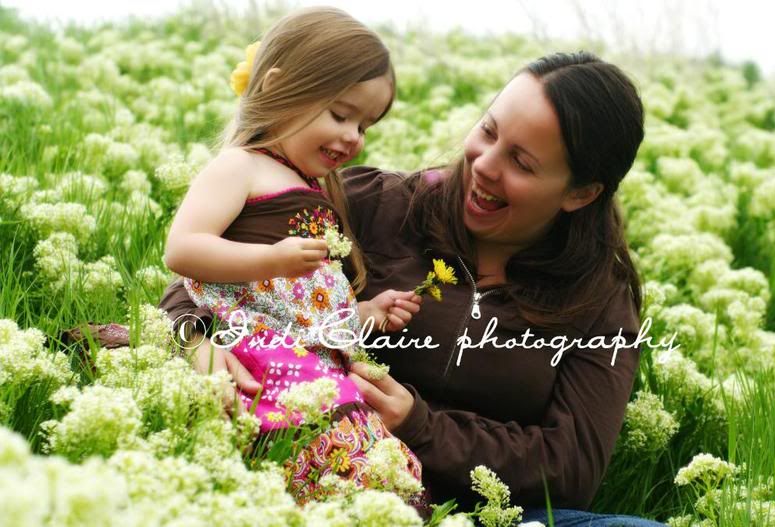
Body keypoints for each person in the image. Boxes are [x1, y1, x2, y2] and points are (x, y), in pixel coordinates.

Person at [161, 51, 666, 526]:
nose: (485, 164)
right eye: (487, 131)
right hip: (318, 471)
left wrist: (420, 427)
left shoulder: (599, 297)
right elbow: (200, 273)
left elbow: (573, 467)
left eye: (522, 163)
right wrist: (197, 339)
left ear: (580, 193)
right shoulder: (374, 203)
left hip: (483, 515)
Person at [162, 7, 427, 507]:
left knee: (380, 463)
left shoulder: (315, 188)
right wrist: (271, 261)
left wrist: (364, 313)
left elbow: (307, 300)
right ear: (276, 89)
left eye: (366, 124)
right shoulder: (241, 166)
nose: (354, 136)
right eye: (341, 114)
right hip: (257, 348)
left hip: (309, 354)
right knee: (336, 447)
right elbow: (183, 248)